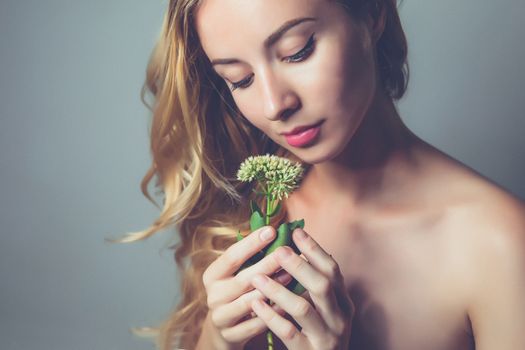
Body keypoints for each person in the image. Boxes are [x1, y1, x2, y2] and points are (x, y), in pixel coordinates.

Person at [120, 0, 525, 349]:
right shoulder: (251, 199)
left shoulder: (498, 243)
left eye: (297, 51)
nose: (275, 104)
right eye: (239, 79)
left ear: (372, 12)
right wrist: (219, 339)